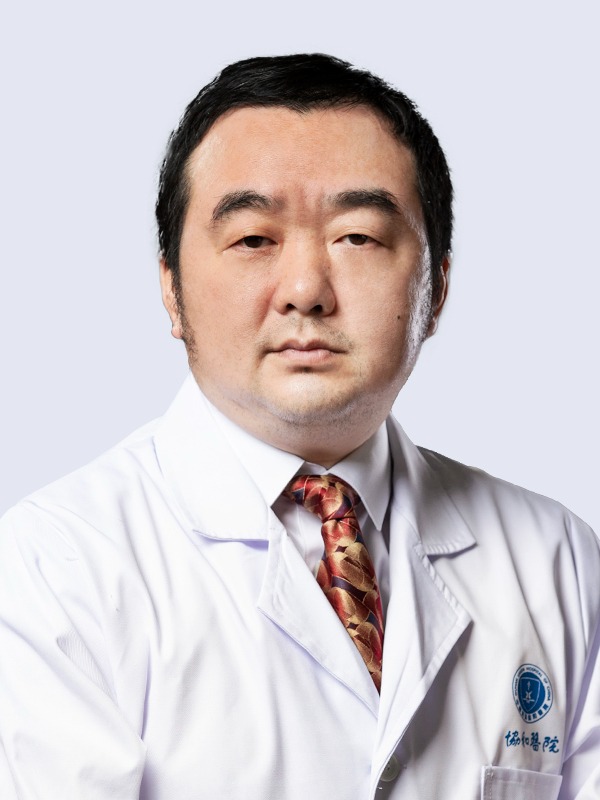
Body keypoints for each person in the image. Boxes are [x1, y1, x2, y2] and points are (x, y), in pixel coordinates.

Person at [0, 53, 598, 800]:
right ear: (171, 289)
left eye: (358, 237)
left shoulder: (557, 560)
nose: (307, 290)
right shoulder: (56, 567)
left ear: (437, 289)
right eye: (254, 239)